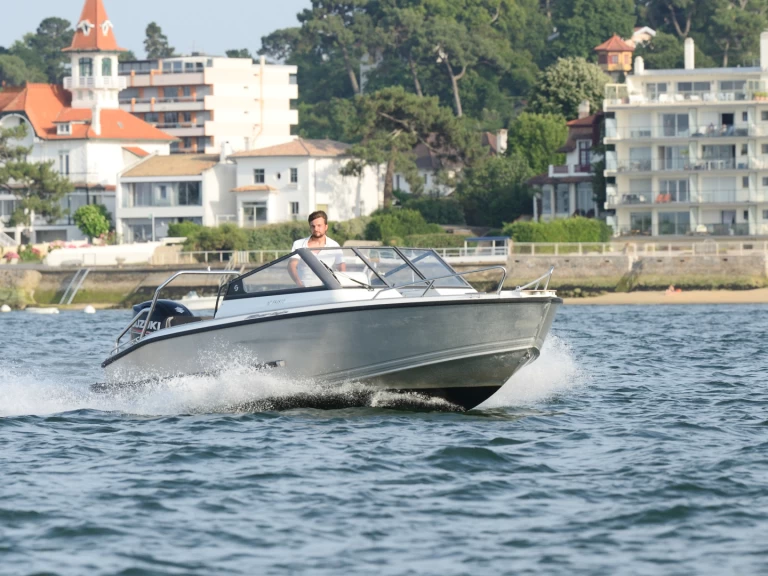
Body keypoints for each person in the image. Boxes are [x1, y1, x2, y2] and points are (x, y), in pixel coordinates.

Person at [288, 210, 346, 287]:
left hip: (327, 289)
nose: (316, 229)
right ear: (310, 227)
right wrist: (299, 284)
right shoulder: (298, 244)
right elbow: (292, 265)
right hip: (304, 289)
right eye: (313, 226)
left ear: (326, 227)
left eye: (319, 225)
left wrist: (340, 285)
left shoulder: (334, 245)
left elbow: (341, 266)